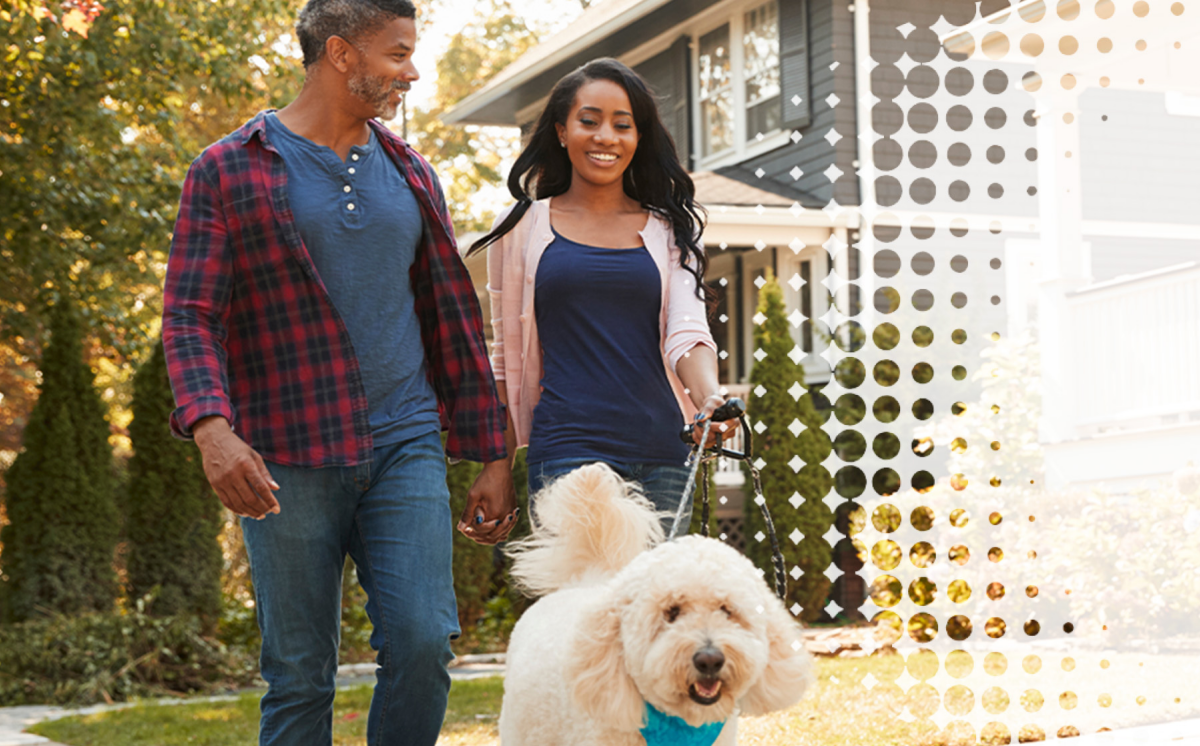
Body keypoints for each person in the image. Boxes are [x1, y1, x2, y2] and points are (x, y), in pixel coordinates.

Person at [161, 1, 517, 743]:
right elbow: (190, 314)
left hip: (405, 443)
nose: (411, 72)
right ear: (341, 54)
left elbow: (451, 320)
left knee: (423, 643)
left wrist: (491, 451)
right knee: (299, 675)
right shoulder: (229, 168)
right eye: (397, 53)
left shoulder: (411, 171)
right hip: (287, 454)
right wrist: (212, 431)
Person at [467, 58, 728, 528]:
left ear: (638, 138)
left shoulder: (673, 229)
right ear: (562, 131)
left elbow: (688, 331)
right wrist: (496, 465)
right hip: (567, 454)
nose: (606, 136)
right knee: (580, 601)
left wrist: (709, 397)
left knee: (653, 601)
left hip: (664, 454)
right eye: (589, 121)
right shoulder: (520, 229)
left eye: (622, 125)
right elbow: (504, 359)